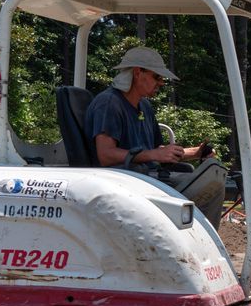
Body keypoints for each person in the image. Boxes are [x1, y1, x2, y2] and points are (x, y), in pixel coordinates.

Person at [85, 45, 227, 227]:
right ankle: (205, 246)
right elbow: (105, 155)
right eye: (156, 76)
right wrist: (152, 155)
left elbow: (157, 151)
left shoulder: (144, 107)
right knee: (213, 190)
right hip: (126, 183)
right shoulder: (109, 104)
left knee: (211, 180)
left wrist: (195, 153)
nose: (161, 82)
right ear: (137, 73)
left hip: (147, 178)